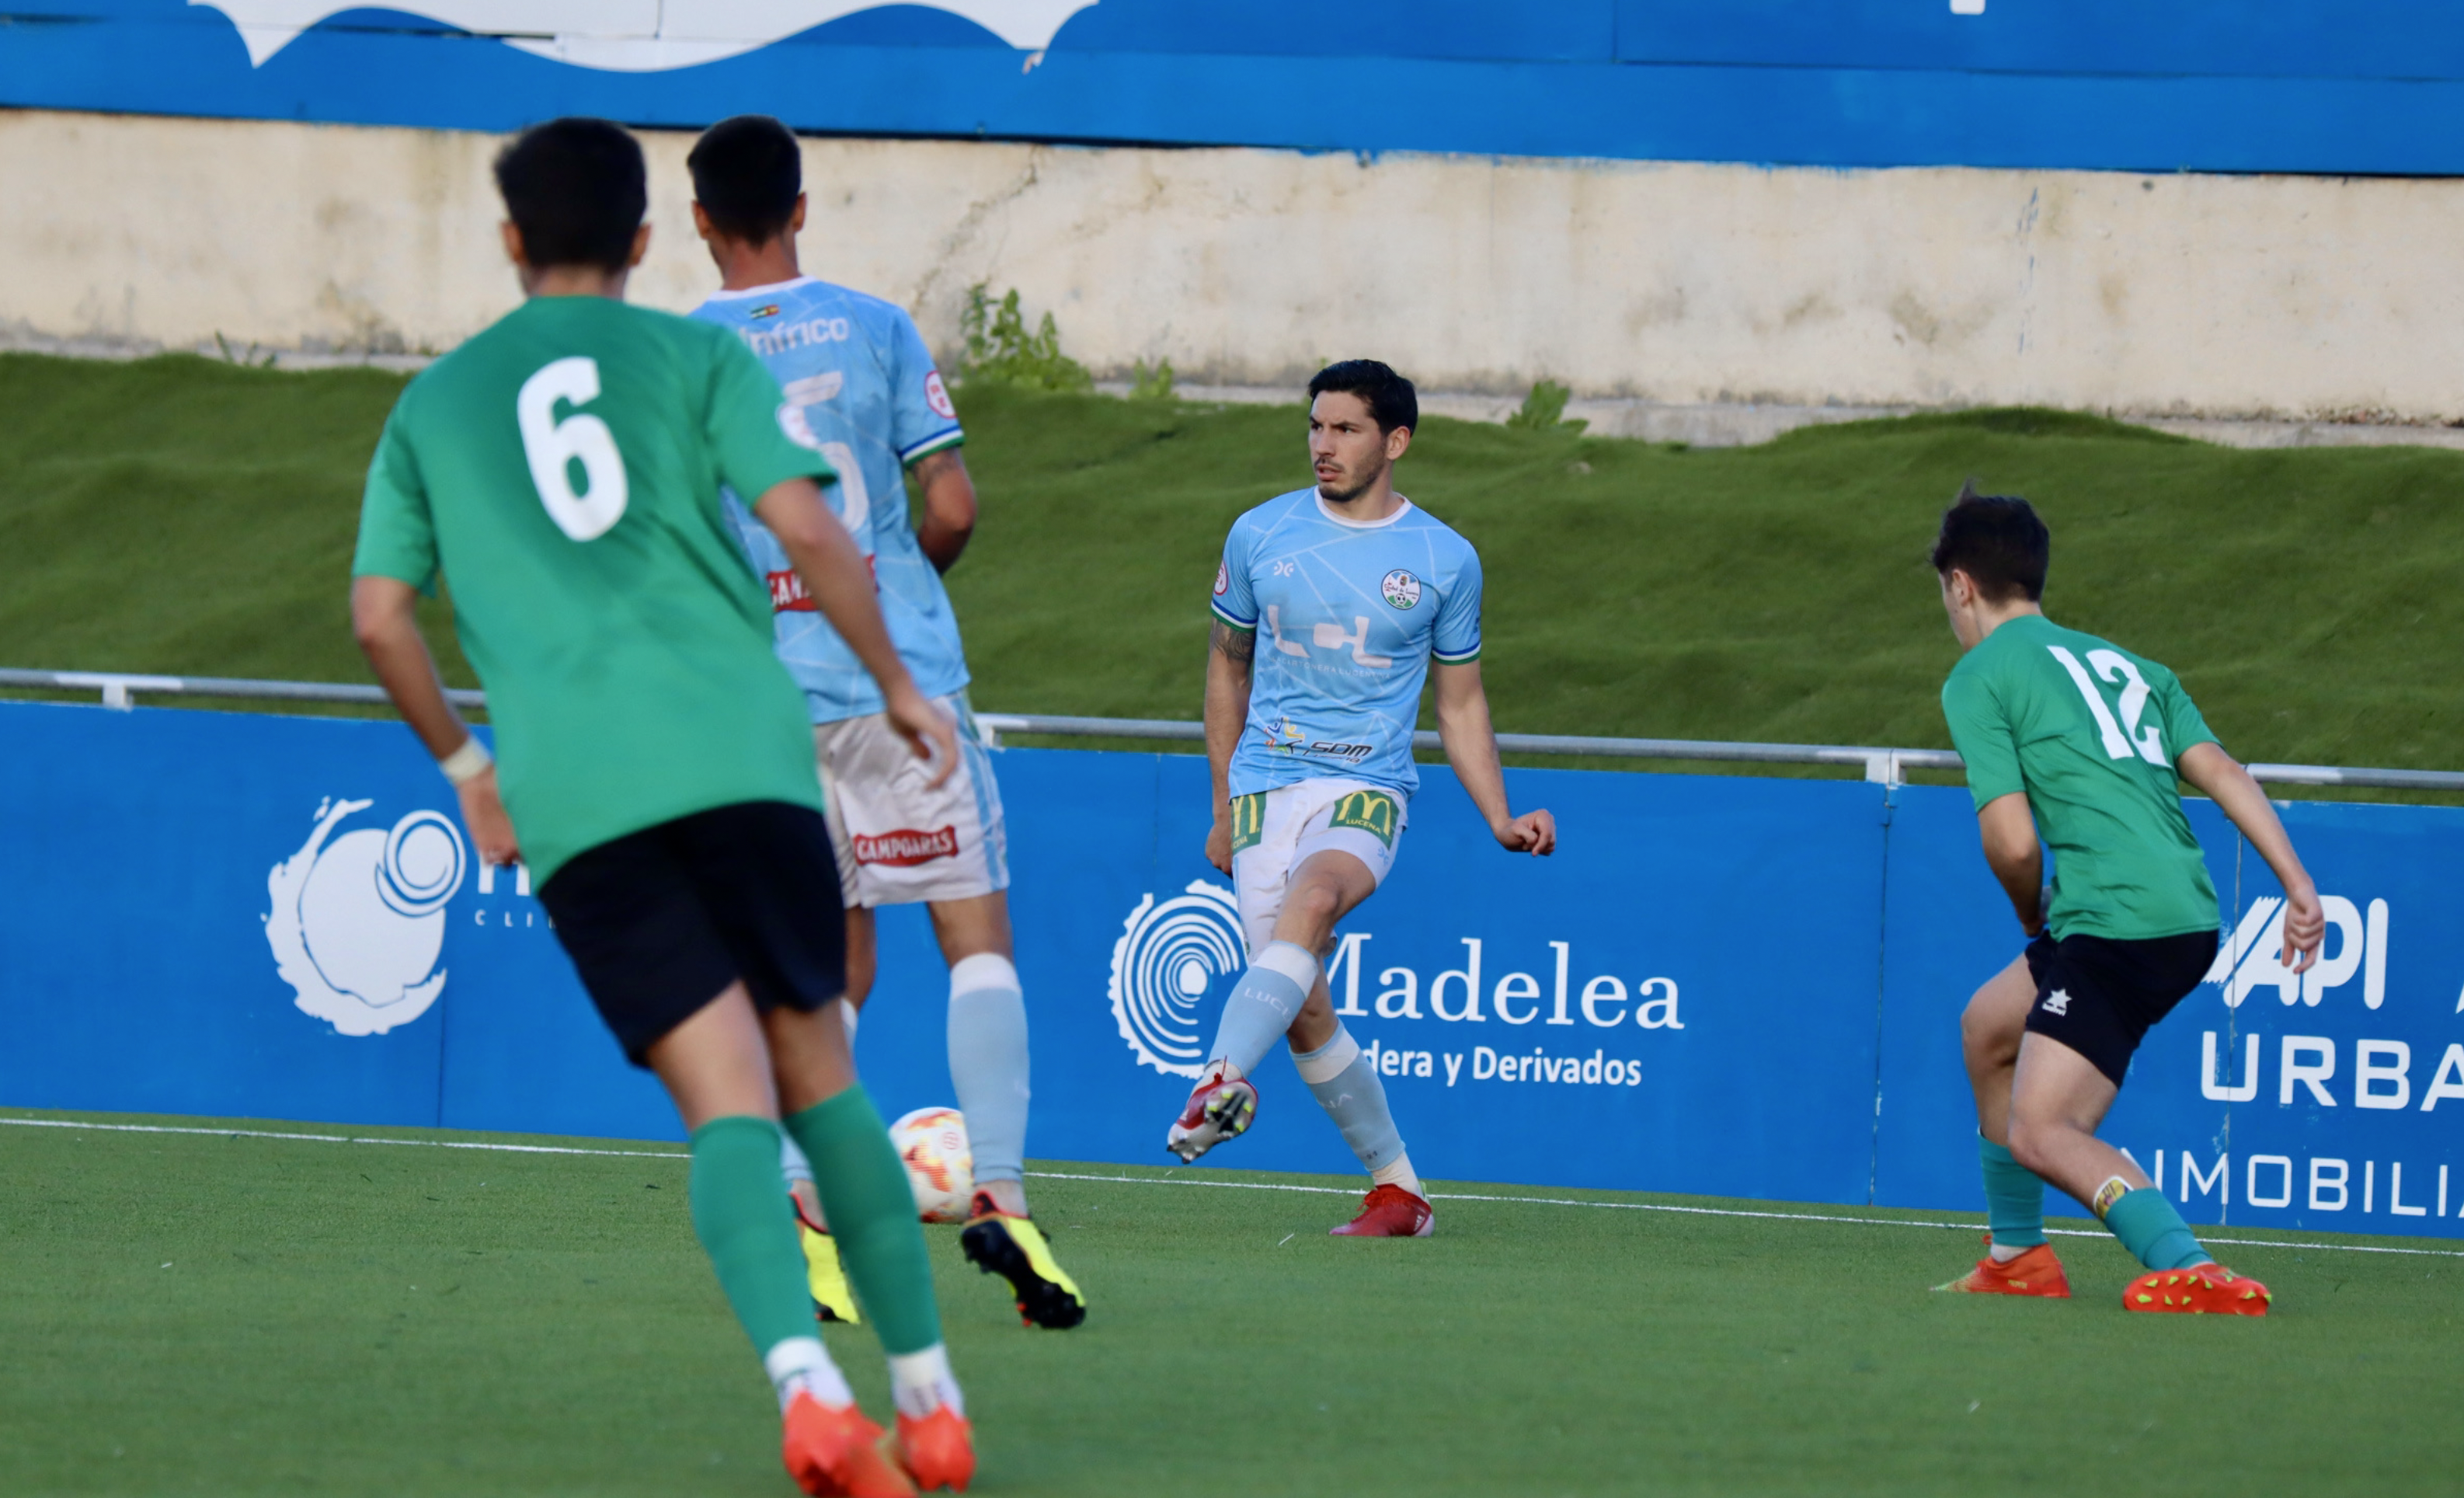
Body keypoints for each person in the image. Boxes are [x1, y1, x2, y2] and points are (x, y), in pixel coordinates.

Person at [350, 117, 973, 1494]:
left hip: (581, 794)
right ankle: (930, 1405)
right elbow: (813, 524)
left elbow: (381, 615)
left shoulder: (436, 403)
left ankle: (808, 1392)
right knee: (821, 1072)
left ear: (513, 241)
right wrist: (895, 680)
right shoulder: (698, 353)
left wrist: (468, 769)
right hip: (746, 758)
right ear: (643, 239)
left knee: (727, 1109)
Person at [681, 113, 1084, 1333]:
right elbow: (950, 502)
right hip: (898, 676)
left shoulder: (679, 360)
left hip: (768, 700)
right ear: (801, 205)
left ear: (701, 220)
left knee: (827, 964)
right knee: (974, 940)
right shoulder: (879, 326)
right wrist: (890, 595)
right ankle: (1001, 1198)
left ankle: (806, 1207)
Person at [1168, 358, 1557, 1236]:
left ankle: (1216, 1079)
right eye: (1315, 426)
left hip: (1368, 785)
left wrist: (1499, 815)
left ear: (1396, 441)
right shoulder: (1258, 535)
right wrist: (1226, 804)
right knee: (1302, 1006)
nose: (1322, 445)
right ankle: (1400, 1190)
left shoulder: (1443, 558)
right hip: (1266, 787)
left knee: (1315, 898)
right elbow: (1225, 672)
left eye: (1344, 429)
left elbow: (1459, 702)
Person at [1927, 484, 2323, 1315]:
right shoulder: (2131, 666)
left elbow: (2012, 842)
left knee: (2043, 1129)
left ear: (1960, 584)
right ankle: (2016, 1255)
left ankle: (2191, 1263)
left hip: (2118, 923)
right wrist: (2297, 884)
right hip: (2177, 911)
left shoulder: (1980, 675)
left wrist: (2028, 913)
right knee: (1988, 1025)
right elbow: (2220, 769)